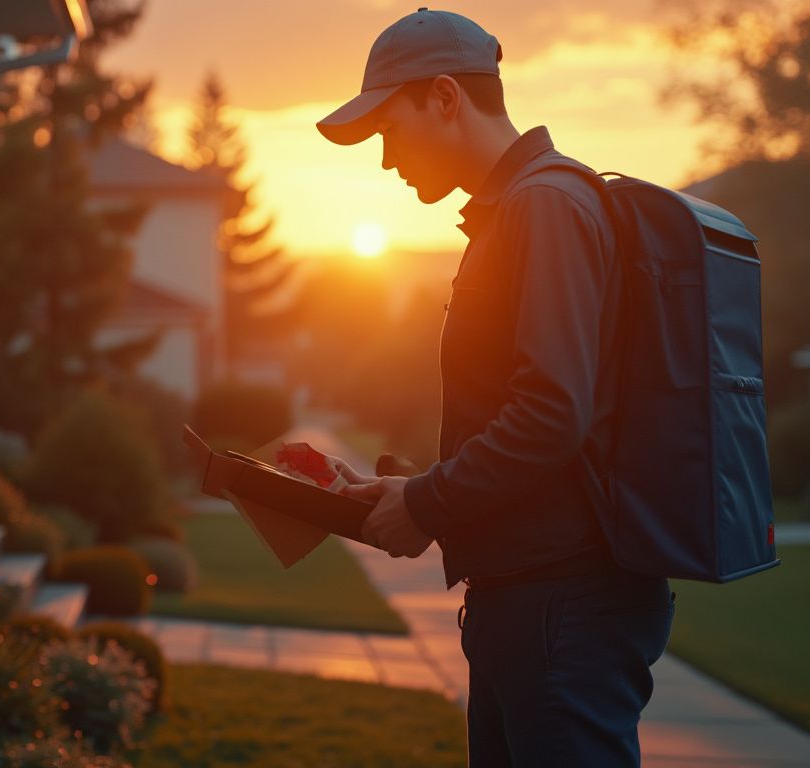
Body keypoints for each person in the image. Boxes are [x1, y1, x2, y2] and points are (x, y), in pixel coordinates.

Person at [313, 8, 676, 767]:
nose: (385, 160)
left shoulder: (544, 204)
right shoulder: (517, 209)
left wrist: (427, 504)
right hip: (533, 600)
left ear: (445, 98)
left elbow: (551, 414)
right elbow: (538, 416)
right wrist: (412, 493)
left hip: (564, 608)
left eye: (388, 128)